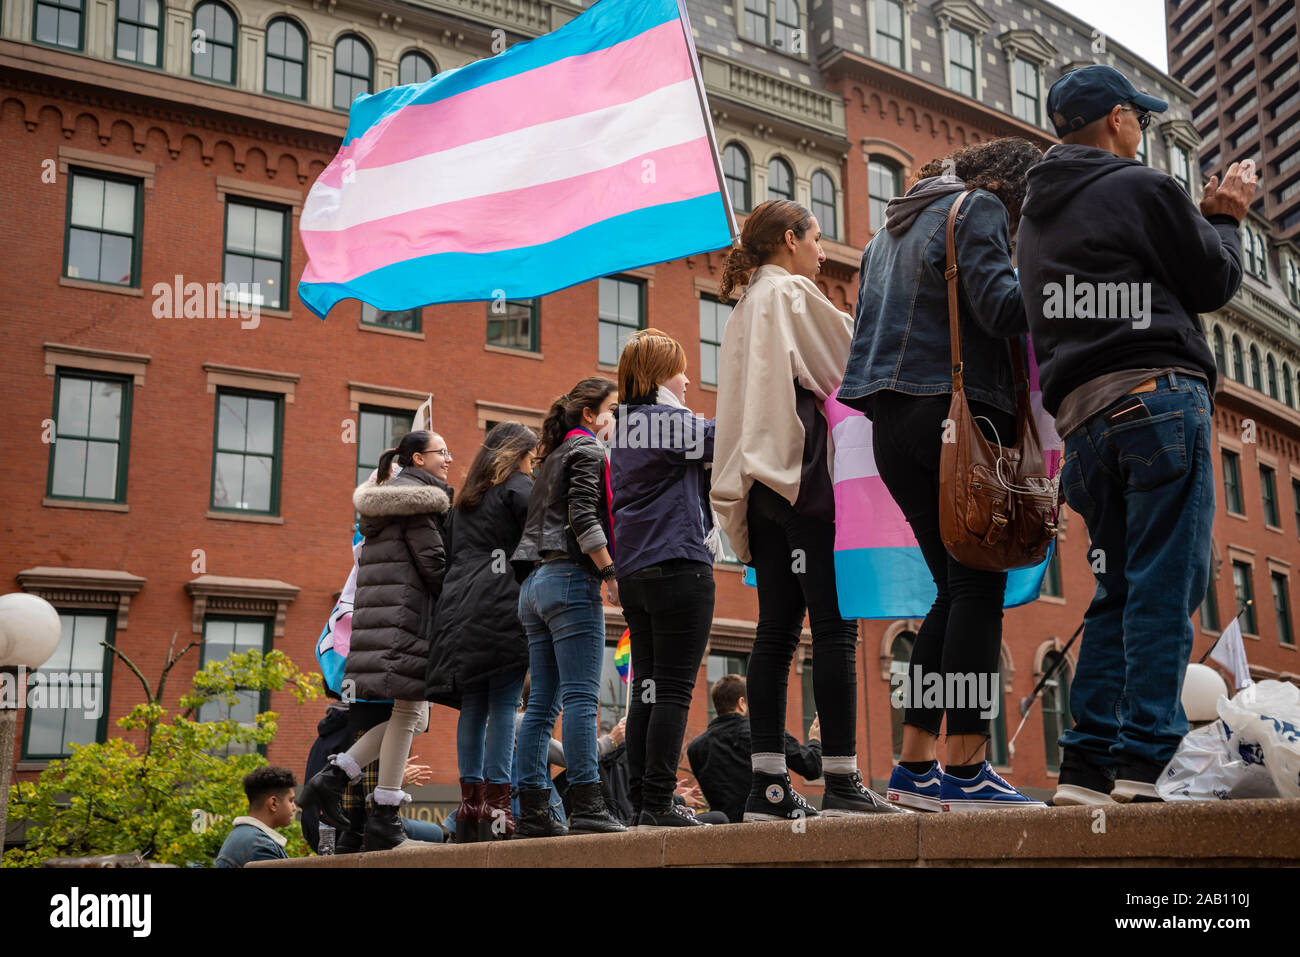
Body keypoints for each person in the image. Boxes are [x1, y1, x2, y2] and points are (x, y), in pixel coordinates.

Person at [1017, 64, 1256, 805]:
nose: (1143, 133)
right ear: (1118, 119)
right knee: (1164, 584)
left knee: (1116, 589)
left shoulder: (1031, 219)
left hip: (1084, 426)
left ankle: (1087, 767)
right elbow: (1213, 281)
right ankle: (1145, 762)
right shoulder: (1144, 187)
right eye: (1142, 121)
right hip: (1157, 397)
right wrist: (1224, 215)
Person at [839, 137, 1048, 812]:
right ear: (1011, 189)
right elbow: (1001, 308)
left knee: (951, 592)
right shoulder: (977, 208)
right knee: (979, 589)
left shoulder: (885, 233)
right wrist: (1051, 281)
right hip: (956, 419)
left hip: (891, 427)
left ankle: (914, 767)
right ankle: (967, 767)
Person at [711, 198, 897, 820]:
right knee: (837, 629)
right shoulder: (790, 295)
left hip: (758, 493)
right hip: (802, 483)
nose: (823, 253)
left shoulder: (740, 310)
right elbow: (848, 362)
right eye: (817, 239)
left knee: (775, 634)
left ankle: (767, 786)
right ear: (790, 239)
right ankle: (841, 779)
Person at [299, 430, 454, 851]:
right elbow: (435, 567)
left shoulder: (381, 508)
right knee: (409, 713)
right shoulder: (418, 504)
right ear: (419, 459)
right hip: (407, 625)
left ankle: (337, 782)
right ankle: (371, 804)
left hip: (383, 625)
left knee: (407, 714)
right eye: (443, 453)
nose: (449, 460)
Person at [610, 328, 718, 828]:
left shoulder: (624, 427)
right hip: (679, 563)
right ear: (659, 376)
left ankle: (642, 802)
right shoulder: (662, 422)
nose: (688, 379)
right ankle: (657, 802)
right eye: (680, 370)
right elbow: (722, 440)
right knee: (673, 689)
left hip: (636, 573)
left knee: (649, 688)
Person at [511, 378, 627, 837]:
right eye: (613, 409)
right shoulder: (589, 452)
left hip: (535, 586)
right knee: (581, 696)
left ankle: (534, 811)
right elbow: (583, 517)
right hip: (570, 581)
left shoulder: (552, 457)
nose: (617, 418)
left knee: (541, 702)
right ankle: (588, 805)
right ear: (589, 415)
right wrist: (610, 573)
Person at [426, 422, 538, 842]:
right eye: (529, 457)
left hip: (459, 612)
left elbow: (450, 555)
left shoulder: (463, 501)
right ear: (516, 455)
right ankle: (498, 804)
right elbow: (539, 539)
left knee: (474, 706)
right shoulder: (518, 487)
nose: (532, 465)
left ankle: (470, 805)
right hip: (502, 604)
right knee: (505, 704)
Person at [686, 675, 823, 824]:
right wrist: (815, 740)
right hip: (766, 826)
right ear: (741, 703)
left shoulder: (695, 748)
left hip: (724, 830)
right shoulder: (763, 733)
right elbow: (812, 767)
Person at [215, 766, 297, 867]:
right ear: (273, 803)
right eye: (291, 800)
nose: (294, 808)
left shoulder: (244, 835)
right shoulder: (260, 846)